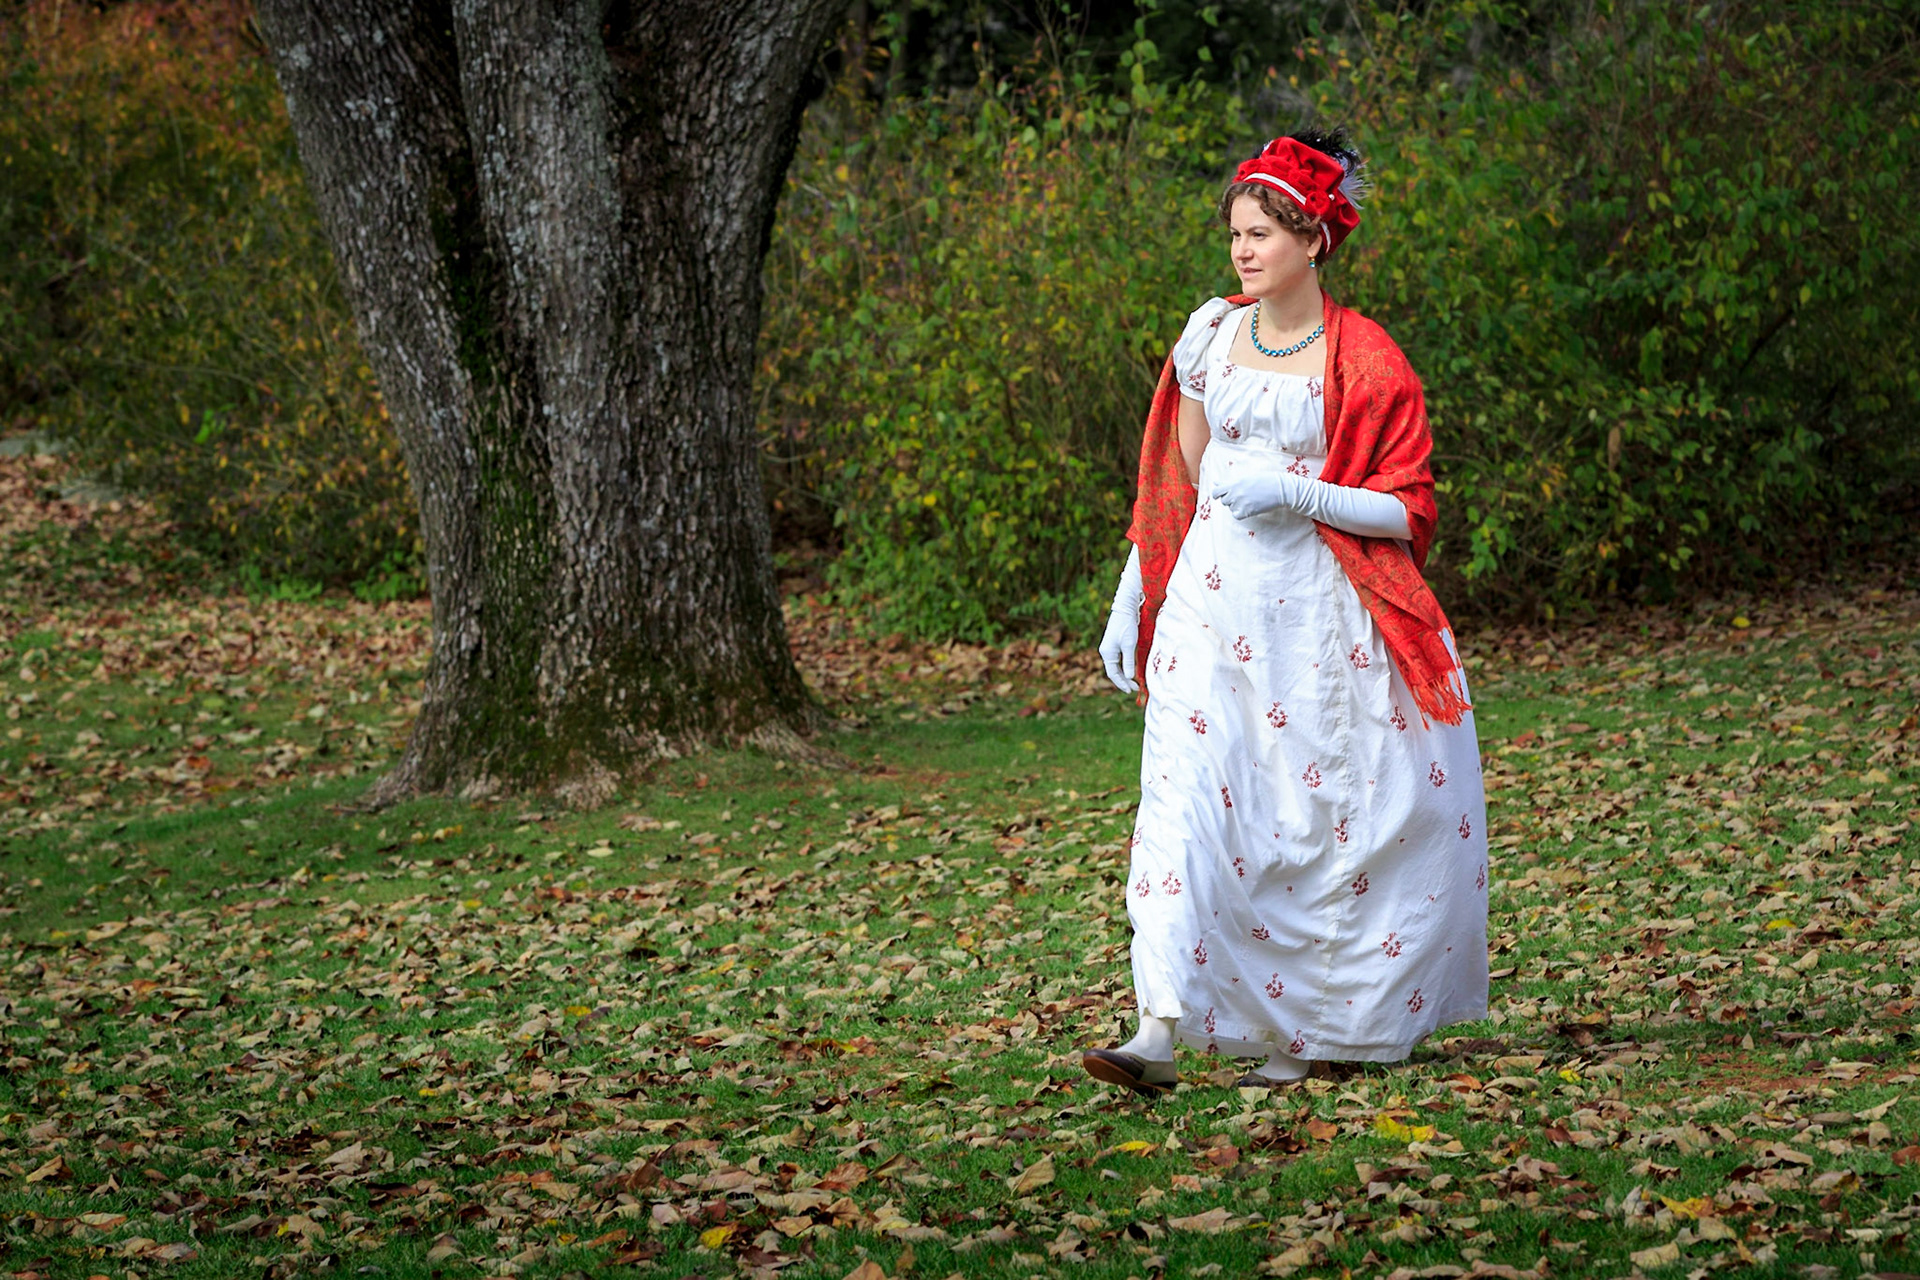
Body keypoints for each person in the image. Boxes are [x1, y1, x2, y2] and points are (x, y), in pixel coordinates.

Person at [1083, 129, 1489, 1093]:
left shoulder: (1368, 359)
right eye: (1235, 233)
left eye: (1262, 232)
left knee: (1304, 816)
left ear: (1314, 239)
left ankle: (1308, 1028)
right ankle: (1157, 1025)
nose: (1243, 251)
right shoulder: (1211, 335)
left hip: (1320, 616)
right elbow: (1178, 479)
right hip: (1212, 603)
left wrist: (1301, 493)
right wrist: (1137, 582)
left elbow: (1408, 507)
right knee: (1181, 798)